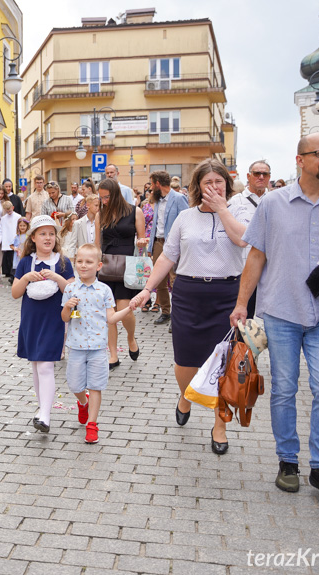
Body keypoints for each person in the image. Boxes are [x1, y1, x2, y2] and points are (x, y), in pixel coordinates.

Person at [229, 133, 319, 502]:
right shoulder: (273, 204)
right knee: (285, 388)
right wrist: (242, 303)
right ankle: (287, 461)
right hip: (281, 311)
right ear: (300, 159)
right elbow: (256, 256)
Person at [130, 159, 252, 456]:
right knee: (185, 361)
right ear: (197, 186)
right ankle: (186, 395)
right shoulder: (185, 217)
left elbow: (242, 240)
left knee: (224, 364)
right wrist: (147, 289)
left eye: (219, 182)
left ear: (227, 184)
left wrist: (222, 209)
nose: (213, 187)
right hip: (188, 293)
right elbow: (167, 257)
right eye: (207, 182)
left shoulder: (239, 213)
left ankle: (219, 425)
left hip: (226, 295)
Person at [62, 243, 133, 443]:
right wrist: (67, 307)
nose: (83, 265)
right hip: (75, 347)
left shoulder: (104, 290)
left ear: (99, 265)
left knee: (95, 386)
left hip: (98, 349)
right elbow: (64, 318)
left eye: (89, 262)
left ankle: (92, 425)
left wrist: (129, 309)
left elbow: (111, 319)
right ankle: (82, 403)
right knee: (75, 384)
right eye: (80, 261)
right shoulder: (70, 289)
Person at [12, 215, 75, 433]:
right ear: (33, 238)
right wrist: (26, 278)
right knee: (37, 367)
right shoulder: (25, 262)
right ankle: (42, 409)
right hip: (32, 320)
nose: (48, 238)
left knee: (46, 365)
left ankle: (46, 416)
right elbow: (15, 293)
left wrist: (57, 278)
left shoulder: (63, 262)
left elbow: (72, 291)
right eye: (42, 234)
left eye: (51, 234)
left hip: (54, 320)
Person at [97, 178, 147, 369]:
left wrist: (141, 243)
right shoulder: (101, 214)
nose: (104, 201)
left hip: (127, 267)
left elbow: (142, 240)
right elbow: (96, 244)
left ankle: (131, 337)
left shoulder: (135, 211)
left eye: (106, 197)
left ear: (116, 194)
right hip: (107, 267)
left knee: (125, 311)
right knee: (110, 314)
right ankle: (113, 355)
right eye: (101, 198)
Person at [228, 160, 272, 318]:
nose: (261, 177)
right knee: (243, 319)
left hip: (270, 272)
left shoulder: (276, 201)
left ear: (269, 177)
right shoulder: (235, 202)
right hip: (243, 270)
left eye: (265, 174)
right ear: (248, 176)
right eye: (256, 173)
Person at [147, 170, 189, 328]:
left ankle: (178, 315)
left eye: (152, 184)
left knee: (175, 279)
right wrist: (151, 246)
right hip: (158, 243)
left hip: (174, 244)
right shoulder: (157, 200)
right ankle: (165, 311)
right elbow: (156, 225)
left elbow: (186, 221)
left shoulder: (179, 198)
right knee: (159, 279)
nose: (151, 188)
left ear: (158, 183)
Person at [0, 201, 19, 283]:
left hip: (15, 241)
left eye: (10, 210)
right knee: (8, 259)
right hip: (7, 241)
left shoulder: (17, 216)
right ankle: (9, 274)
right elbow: (1, 230)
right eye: (7, 211)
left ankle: (13, 275)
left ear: (13, 208)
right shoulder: (3, 219)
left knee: (14, 260)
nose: (9, 213)